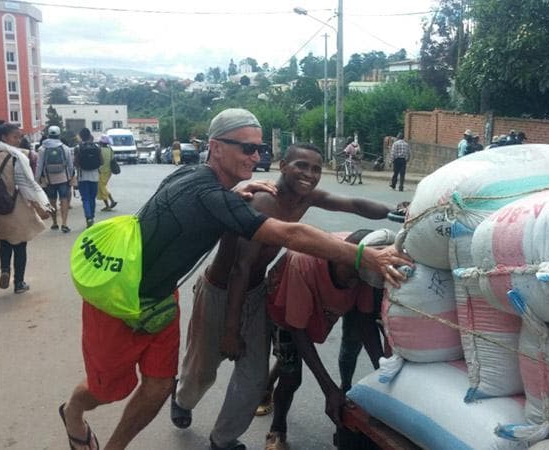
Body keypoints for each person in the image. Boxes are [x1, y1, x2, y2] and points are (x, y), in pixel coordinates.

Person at [59, 108, 411, 450]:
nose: (254, 155)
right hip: (126, 299)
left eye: (259, 148)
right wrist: (366, 255)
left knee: (163, 385)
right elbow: (287, 237)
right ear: (215, 148)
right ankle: (74, 411)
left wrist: (397, 213)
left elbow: (349, 203)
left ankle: (205, 439)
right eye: (246, 147)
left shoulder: (212, 186)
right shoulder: (225, 196)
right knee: (129, 386)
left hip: (167, 299)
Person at [170, 142, 392, 450]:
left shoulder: (306, 198)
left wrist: (395, 212)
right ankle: (182, 399)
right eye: (301, 165)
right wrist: (232, 330)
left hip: (257, 291)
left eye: (315, 168)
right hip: (221, 291)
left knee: (254, 375)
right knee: (203, 367)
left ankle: (223, 440)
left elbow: (354, 203)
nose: (309, 174)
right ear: (282, 165)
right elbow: (241, 268)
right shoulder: (263, 202)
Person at [263, 230, 389, 450]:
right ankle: (278, 428)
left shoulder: (364, 266)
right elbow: (297, 329)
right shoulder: (303, 263)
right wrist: (329, 389)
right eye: (350, 276)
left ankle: (270, 380)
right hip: (284, 307)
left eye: (356, 280)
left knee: (290, 359)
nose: (352, 285)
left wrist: (384, 370)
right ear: (337, 258)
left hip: (318, 308)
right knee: (292, 377)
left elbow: (364, 320)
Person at [0, 123, 51, 293]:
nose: (18, 140)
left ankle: (5, 270)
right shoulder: (16, 158)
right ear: (4, 138)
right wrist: (40, 206)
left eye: (19, 137)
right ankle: (19, 283)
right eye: (15, 136)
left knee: (4, 241)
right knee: (20, 245)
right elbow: (24, 186)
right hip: (15, 205)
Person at [36, 125, 74, 232]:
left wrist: (37, 179)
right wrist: (70, 176)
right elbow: (70, 165)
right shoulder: (64, 148)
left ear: (48, 135)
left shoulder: (42, 149)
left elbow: (39, 166)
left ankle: (54, 223)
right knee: (64, 200)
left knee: (52, 201)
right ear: (59, 135)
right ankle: (65, 223)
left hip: (49, 180)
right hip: (63, 179)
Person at [74, 128, 102, 228]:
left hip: (82, 177)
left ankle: (88, 217)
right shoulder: (97, 147)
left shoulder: (78, 147)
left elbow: (75, 163)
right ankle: (92, 217)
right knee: (92, 198)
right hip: (95, 177)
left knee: (85, 198)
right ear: (90, 135)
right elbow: (101, 162)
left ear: (81, 136)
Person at [97, 135, 118, 211]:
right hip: (109, 172)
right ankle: (112, 201)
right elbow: (112, 160)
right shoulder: (110, 149)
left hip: (100, 171)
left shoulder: (99, 149)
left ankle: (108, 205)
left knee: (101, 188)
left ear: (101, 142)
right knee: (103, 187)